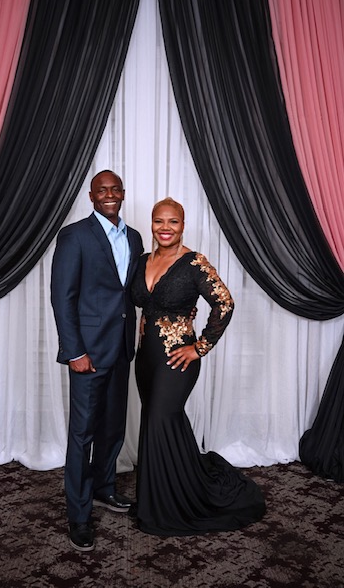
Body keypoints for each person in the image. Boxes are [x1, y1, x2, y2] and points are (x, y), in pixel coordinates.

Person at [130, 197, 266, 536]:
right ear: (152, 224)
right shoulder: (143, 260)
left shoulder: (194, 263)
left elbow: (224, 303)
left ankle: (173, 505)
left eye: (173, 221)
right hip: (145, 359)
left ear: (183, 225)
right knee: (157, 421)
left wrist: (199, 347)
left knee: (162, 418)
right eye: (159, 221)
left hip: (177, 359)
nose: (165, 227)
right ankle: (160, 495)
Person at [50, 170, 144, 552]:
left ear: (123, 193)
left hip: (120, 349)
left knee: (113, 427)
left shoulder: (134, 238)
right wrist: (75, 352)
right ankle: (79, 514)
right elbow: (62, 297)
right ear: (91, 196)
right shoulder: (74, 236)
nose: (108, 194)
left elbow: (130, 293)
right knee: (83, 434)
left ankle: (105, 488)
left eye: (114, 189)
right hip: (87, 354)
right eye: (101, 190)